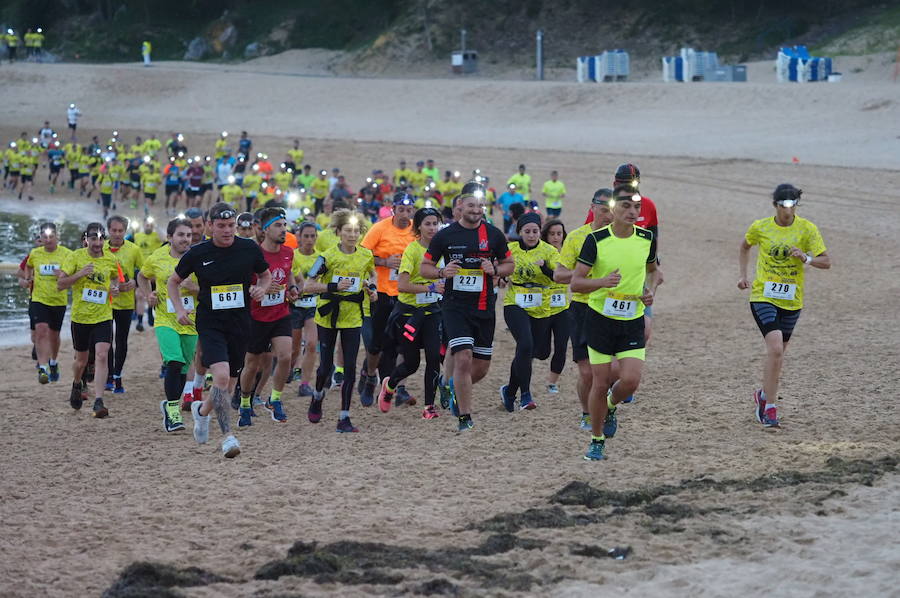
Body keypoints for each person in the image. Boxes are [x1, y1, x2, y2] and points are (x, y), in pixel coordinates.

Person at [169, 203, 272, 458]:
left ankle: (202, 412)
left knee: (228, 384)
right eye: (222, 226)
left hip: (239, 323)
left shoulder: (248, 248)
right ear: (209, 226)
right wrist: (180, 309)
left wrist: (262, 288)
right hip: (210, 322)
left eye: (231, 226)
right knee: (222, 378)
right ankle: (227, 436)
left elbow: (265, 275)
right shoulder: (198, 253)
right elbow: (173, 282)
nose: (227, 231)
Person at [571, 186, 660, 461]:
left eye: (636, 207)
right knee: (599, 383)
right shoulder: (596, 240)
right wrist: (601, 282)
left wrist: (650, 292)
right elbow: (576, 281)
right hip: (599, 319)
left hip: (632, 318)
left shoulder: (647, 238)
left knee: (631, 381)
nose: (633, 212)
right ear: (613, 209)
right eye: (626, 207)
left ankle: (610, 405)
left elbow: (654, 272)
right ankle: (596, 440)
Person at [420, 181, 514, 431]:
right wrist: (442, 271)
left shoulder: (493, 234)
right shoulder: (445, 235)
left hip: (484, 306)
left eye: (480, 206)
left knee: (480, 368)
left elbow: (509, 265)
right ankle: (465, 417)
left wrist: (494, 269)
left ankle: (451, 386)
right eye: (471, 205)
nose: (476, 210)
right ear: (460, 206)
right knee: (463, 358)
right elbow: (424, 268)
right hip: (455, 306)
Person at [738, 184, 830, 428]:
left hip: (792, 300)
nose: (787, 211)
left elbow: (826, 261)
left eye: (791, 205)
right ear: (775, 205)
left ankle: (762, 394)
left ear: (796, 205)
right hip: (763, 296)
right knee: (776, 349)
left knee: (777, 357)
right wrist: (743, 275)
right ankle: (770, 407)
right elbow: (744, 246)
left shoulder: (807, 229)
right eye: (782, 205)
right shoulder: (760, 227)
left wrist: (806, 258)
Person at [303, 210, 376, 432]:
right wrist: (332, 287)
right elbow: (308, 286)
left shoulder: (365, 255)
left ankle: (344, 417)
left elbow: (372, 275)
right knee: (325, 367)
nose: (352, 235)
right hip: (328, 316)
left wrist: (372, 289)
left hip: (353, 316)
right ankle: (317, 397)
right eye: (348, 231)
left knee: (350, 368)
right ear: (338, 232)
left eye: (356, 231)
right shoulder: (326, 257)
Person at [375, 207, 445, 417]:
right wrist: (430, 288)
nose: (432, 228)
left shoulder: (442, 250)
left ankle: (428, 407)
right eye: (428, 224)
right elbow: (403, 285)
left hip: (432, 311)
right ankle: (390, 386)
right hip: (408, 314)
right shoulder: (412, 251)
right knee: (412, 363)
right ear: (419, 227)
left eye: (435, 223)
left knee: (434, 357)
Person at [237, 207, 302, 426]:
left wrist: (291, 287)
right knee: (252, 365)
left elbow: (288, 271)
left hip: (280, 313)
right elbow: (241, 283)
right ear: (264, 230)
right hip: (256, 316)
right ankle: (245, 402)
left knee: (284, 356)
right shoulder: (252, 254)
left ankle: (275, 399)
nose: (284, 230)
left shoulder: (288, 252)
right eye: (278, 225)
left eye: (284, 225)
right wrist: (258, 288)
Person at [138, 218, 198, 432]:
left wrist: (196, 289)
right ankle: (173, 410)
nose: (185, 239)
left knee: (182, 368)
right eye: (181, 235)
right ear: (170, 237)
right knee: (173, 362)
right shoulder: (157, 257)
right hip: (165, 318)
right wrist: (148, 295)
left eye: (189, 235)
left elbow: (210, 289)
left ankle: (172, 405)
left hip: (191, 322)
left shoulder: (198, 257)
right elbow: (142, 276)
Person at [58, 223, 121, 418]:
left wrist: (115, 288)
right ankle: (77, 382)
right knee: (81, 361)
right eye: (94, 238)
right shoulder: (75, 257)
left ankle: (99, 400)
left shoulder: (111, 259)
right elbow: (60, 284)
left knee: (102, 354)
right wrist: (79, 274)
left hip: (103, 316)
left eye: (101, 238)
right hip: (80, 317)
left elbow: (116, 281)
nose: (98, 242)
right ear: (87, 239)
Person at [359, 192, 417, 404]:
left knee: (405, 344)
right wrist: (384, 262)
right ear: (393, 209)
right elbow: (362, 255)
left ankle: (399, 386)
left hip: (407, 294)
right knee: (377, 345)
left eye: (409, 210)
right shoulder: (380, 228)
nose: (405, 214)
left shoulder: (416, 231)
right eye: (400, 209)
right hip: (383, 293)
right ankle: (370, 378)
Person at [498, 212, 559, 411]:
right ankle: (525, 394)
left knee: (531, 352)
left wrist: (545, 270)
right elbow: (499, 270)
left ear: (540, 232)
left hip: (541, 306)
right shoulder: (510, 249)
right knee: (525, 343)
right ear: (520, 232)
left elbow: (559, 277)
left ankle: (509, 391)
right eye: (527, 231)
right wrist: (500, 278)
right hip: (515, 303)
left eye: (535, 231)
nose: (531, 235)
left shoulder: (549, 251)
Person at [25, 224, 72, 385]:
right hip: (39, 299)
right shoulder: (35, 253)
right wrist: (27, 279)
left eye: (51, 236)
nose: (48, 239)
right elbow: (28, 266)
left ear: (57, 236)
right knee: (41, 330)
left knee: (54, 336)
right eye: (45, 237)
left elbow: (74, 274)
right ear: (41, 238)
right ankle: (43, 368)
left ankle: (53, 362)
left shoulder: (67, 254)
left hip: (58, 300)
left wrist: (64, 274)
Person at [104, 215, 144, 392]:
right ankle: (108, 375)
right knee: (106, 341)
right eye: (114, 230)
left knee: (121, 340)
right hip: (104, 303)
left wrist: (135, 283)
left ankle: (118, 375)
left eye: (121, 231)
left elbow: (144, 274)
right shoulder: (100, 248)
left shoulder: (134, 250)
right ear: (108, 230)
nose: (117, 234)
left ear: (126, 231)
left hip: (126, 303)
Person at [291, 222, 320, 396]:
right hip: (294, 306)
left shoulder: (321, 258)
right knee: (293, 349)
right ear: (299, 237)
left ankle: (305, 383)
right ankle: (288, 369)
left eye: (312, 236)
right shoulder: (292, 256)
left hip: (313, 306)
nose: (309, 240)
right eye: (306, 236)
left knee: (311, 344)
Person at [541, 219, 569, 394]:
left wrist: (546, 270)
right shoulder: (541, 252)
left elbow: (563, 277)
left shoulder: (568, 254)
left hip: (562, 308)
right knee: (542, 350)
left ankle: (552, 382)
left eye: (559, 234)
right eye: (552, 234)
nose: (556, 237)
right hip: (542, 307)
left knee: (561, 347)